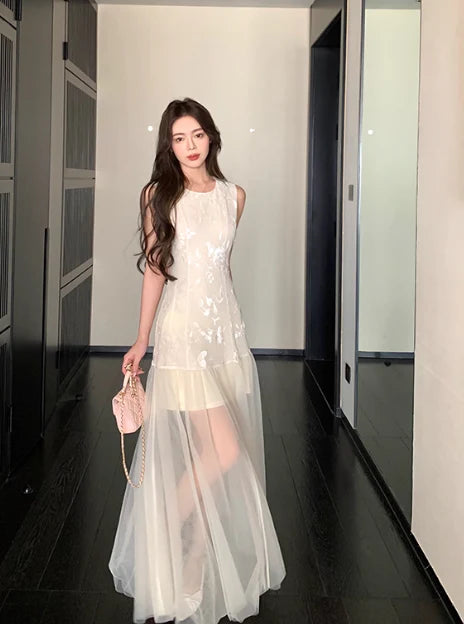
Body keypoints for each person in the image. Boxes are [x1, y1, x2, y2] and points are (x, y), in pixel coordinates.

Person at [108, 97, 286, 624]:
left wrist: (231, 329)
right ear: (169, 145)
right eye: (179, 138)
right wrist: (141, 339)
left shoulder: (235, 196)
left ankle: (193, 553)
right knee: (225, 450)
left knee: (217, 451)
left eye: (197, 135)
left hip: (226, 336)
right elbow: (156, 269)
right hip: (183, 337)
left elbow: (220, 268)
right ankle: (173, 529)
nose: (190, 146)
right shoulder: (159, 195)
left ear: (212, 137)